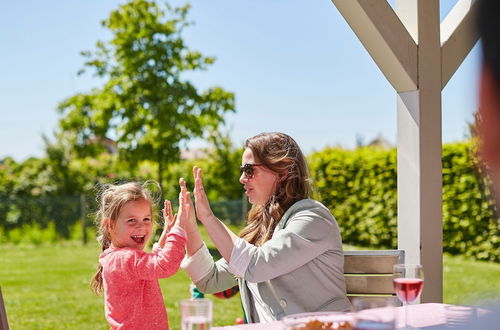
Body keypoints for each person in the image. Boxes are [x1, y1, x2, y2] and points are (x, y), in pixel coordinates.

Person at [180, 132, 351, 323]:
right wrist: (191, 227)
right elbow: (209, 280)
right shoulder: (261, 228)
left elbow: (257, 265)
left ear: (283, 171)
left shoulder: (313, 218)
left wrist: (209, 217)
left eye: (249, 169)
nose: (242, 178)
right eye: (242, 170)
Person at [90, 181, 192, 329]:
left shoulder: (118, 257)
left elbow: (149, 267)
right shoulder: (124, 258)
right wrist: (180, 228)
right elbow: (164, 266)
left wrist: (166, 234)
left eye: (146, 219)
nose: (141, 226)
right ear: (109, 225)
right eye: (132, 220)